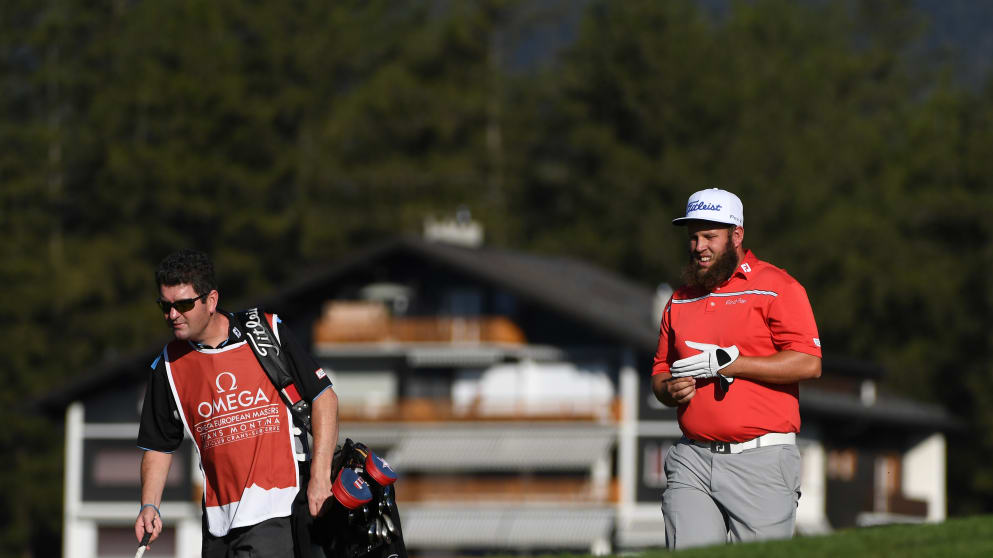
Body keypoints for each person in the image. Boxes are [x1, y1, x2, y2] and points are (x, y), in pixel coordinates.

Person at [134, 249, 339, 558]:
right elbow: (158, 446)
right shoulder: (167, 366)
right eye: (165, 306)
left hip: (276, 508)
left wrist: (320, 477)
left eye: (183, 305)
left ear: (211, 300)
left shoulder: (266, 331)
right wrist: (149, 505)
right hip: (218, 523)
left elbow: (325, 397)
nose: (173, 315)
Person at [651, 188, 822, 549]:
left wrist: (735, 365)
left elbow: (809, 362)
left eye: (709, 236)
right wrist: (669, 390)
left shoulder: (778, 287)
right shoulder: (679, 299)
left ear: (737, 235)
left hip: (762, 460)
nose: (699, 246)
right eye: (693, 237)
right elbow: (660, 372)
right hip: (692, 460)